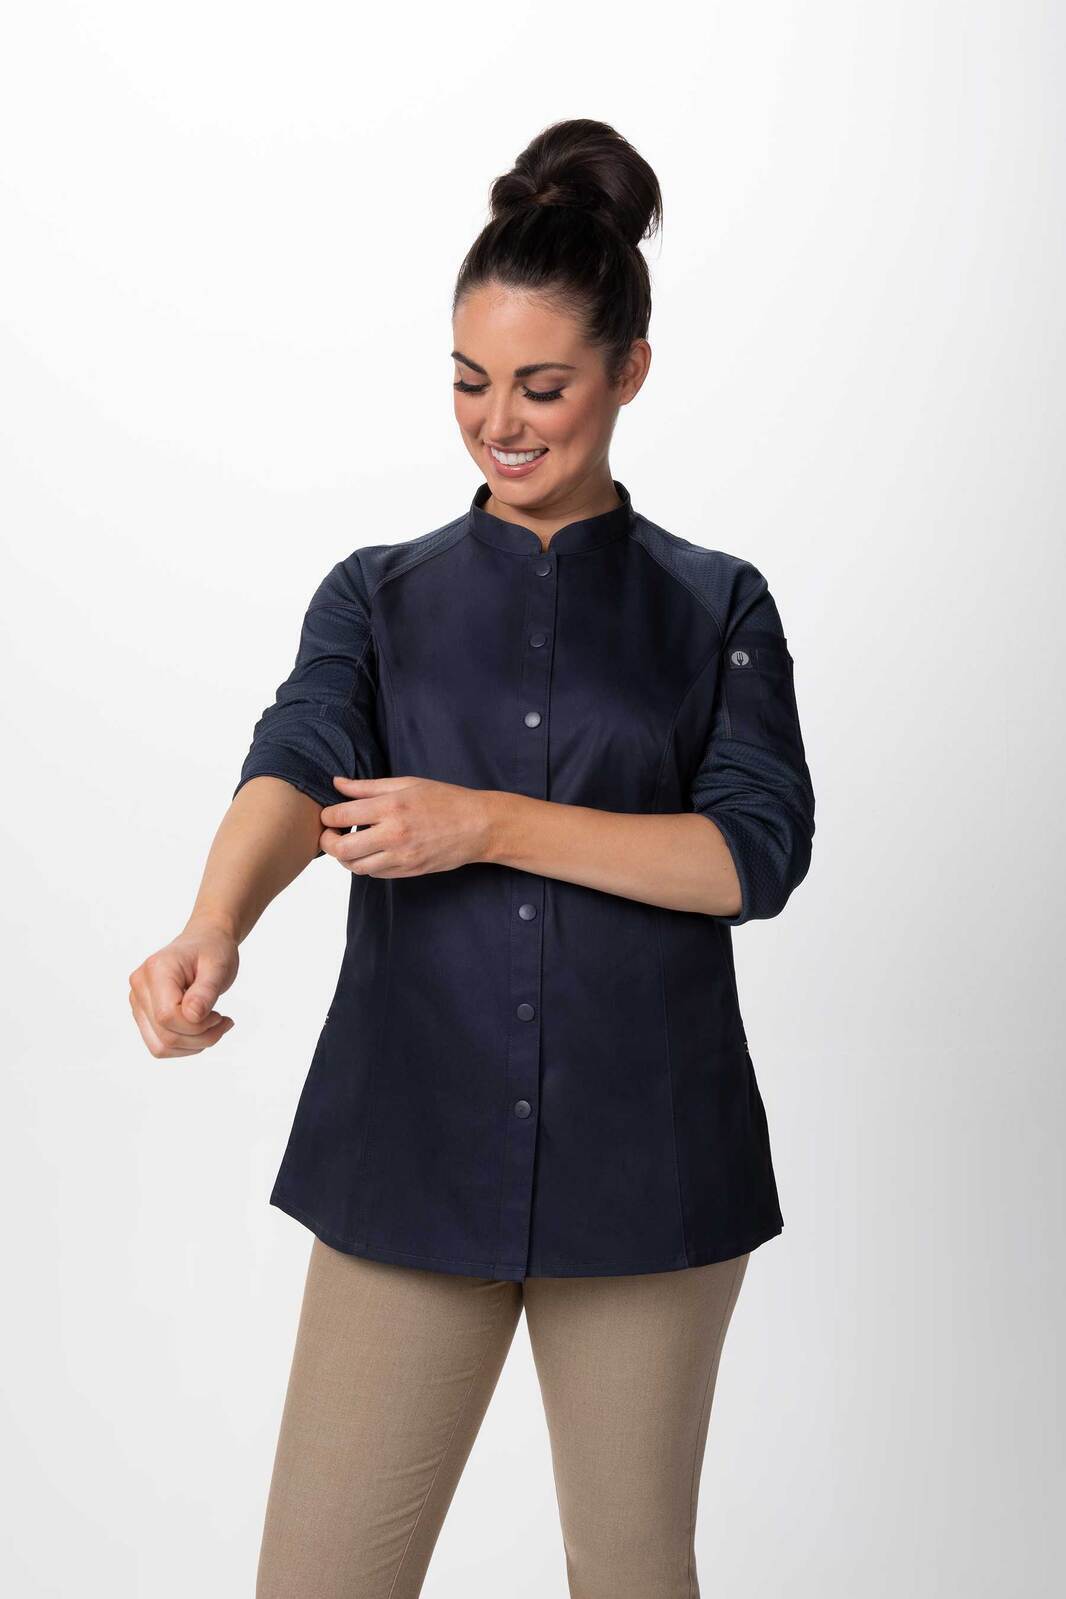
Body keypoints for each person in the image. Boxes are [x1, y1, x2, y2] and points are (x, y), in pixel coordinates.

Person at [128, 117, 816, 1599]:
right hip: (408, 1142)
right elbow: (296, 753)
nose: (499, 421)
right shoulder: (376, 595)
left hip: (649, 1163)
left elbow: (750, 857)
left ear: (628, 371)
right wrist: (214, 921)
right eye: (468, 381)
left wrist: (485, 822)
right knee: (318, 1579)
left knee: (631, 1572)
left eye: (541, 386)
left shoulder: (717, 606)